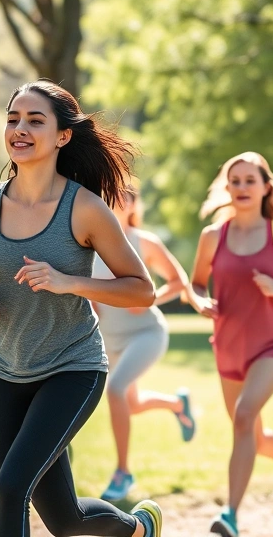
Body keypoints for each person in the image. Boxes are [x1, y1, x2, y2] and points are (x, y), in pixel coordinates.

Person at [0, 80, 163, 537]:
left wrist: (69, 282)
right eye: (13, 119)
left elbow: (142, 290)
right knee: (65, 520)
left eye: (35, 121)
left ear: (63, 136)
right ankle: (138, 529)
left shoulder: (84, 208)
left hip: (73, 368)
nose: (20, 129)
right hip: (6, 368)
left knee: (11, 491)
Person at [188, 152, 273, 537]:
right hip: (229, 347)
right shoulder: (212, 237)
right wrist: (199, 301)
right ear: (227, 188)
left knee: (244, 416)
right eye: (235, 181)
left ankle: (230, 515)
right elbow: (196, 283)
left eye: (250, 180)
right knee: (252, 433)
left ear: (266, 187)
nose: (242, 187)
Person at [91, 187, 196, 501]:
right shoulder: (90, 242)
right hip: (110, 338)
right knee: (131, 404)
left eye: (124, 196)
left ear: (134, 205)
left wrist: (149, 299)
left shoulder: (143, 241)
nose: (115, 200)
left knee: (116, 390)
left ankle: (123, 473)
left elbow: (179, 281)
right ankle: (178, 405)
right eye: (110, 194)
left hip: (146, 333)